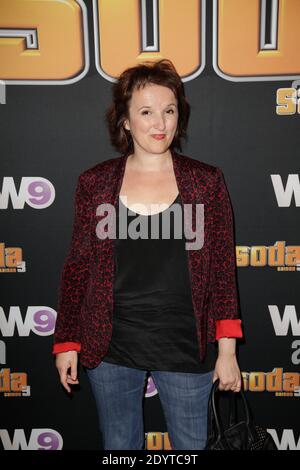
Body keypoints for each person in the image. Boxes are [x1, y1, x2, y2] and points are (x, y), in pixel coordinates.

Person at [52, 59, 243, 450]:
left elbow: (223, 270)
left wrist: (228, 352)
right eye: (146, 112)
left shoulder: (205, 182)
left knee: (192, 446)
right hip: (111, 346)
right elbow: (78, 267)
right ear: (124, 120)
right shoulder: (96, 182)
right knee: (120, 446)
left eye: (169, 111)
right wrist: (67, 340)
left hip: (185, 345)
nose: (160, 123)